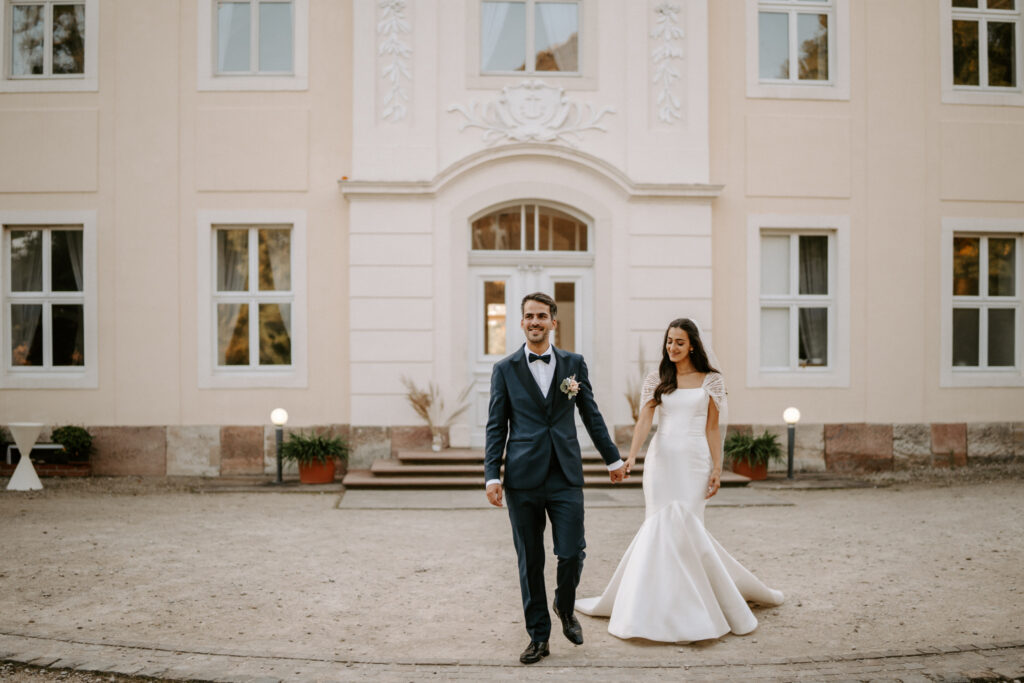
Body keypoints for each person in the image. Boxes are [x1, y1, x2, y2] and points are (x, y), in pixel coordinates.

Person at [575, 318, 784, 642]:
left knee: (688, 530)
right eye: (669, 341)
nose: (672, 347)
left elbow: (712, 428)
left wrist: (717, 468)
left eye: (679, 342)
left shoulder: (711, 380)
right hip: (661, 462)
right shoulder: (658, 378)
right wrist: (631, 455)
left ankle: (695, 609)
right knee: (657, 526)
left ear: (693, 346)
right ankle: (649, 608)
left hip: (694, 462)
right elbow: (645, 419)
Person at [485, 292, 626, 664]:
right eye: (529, 316)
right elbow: (496, 426)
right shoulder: (504, 369)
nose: (535, 322)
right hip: (522, 478)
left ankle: (565, 606)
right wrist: (491, 475)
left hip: (565, 474)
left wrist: (613, 459)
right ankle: (539, 637)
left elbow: (591, 416)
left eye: (542, 316)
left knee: (572, 551)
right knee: (530, 561)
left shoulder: (574, 364)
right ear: (521, 322)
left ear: (553, 322)